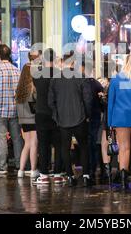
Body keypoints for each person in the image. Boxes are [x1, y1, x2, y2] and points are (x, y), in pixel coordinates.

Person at [48, 53, 93, 187]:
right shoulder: (81, 77)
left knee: (64, 148)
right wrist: (87, 114)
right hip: (79, 118)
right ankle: (85, 175)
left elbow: (50, 102)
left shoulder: (55, 79)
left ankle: (70, 175)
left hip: (62, 120)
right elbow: (88, 99)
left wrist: (56, 116)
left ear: (63, 62)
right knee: (84, 146)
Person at [107, 52, 131, 190]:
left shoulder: (116, 79)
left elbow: (110, 102)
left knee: (123, 149)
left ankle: (123, 183)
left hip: (120, 117)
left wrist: (109, 122)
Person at [0, 44, 23, 175]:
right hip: (15, 110)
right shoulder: (17, 70)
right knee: (17, 138)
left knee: (1, 139)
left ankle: (2, 166)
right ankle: (20, 163)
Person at [32, 48, 64, 185]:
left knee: (43, 144)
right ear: (55, 59)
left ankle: (44, 174)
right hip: (57, 113)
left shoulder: (37, 75)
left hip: (41, 112)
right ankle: (57, 173)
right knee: (58, 144)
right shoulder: (60, 74)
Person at [16, 63, 39, 180]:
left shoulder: (19, 88)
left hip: (23, 120)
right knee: (34, 144)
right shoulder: (33, 87)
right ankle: (33, 169)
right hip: (33, 119)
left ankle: (21, 170)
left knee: (27, 144)